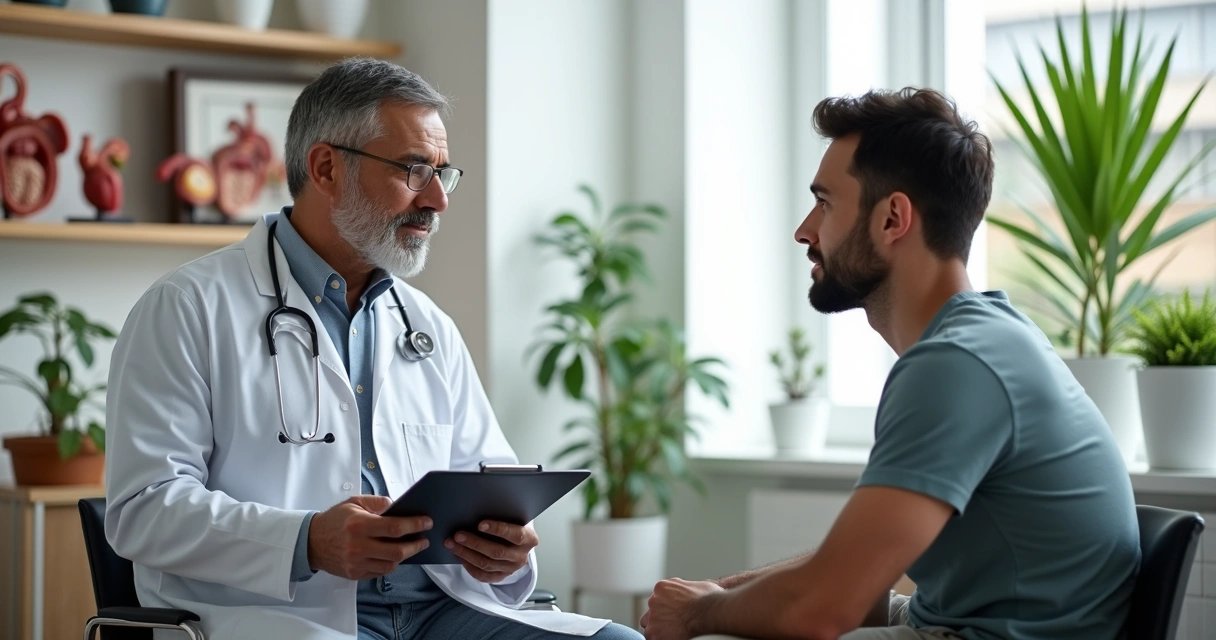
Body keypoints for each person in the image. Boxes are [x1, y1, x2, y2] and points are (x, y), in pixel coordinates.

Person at [105, 58, 642, 640]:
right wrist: (308, 541)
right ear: (327, 167)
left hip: (441, 610)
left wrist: (506, 550)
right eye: (414, 170)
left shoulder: (425, 324)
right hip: (280, 615)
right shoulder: (187, 307)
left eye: (443, 173)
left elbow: (489, 477)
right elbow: (144, 509)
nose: (437, 199)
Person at [640, 88, 1140, 640]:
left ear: (892, 218)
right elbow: (854, 569)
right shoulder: (990, 339)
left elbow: (821, 609)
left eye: (825, 203)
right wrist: (720, 595)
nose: (805, 231)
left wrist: (695, 614)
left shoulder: (956, 364)